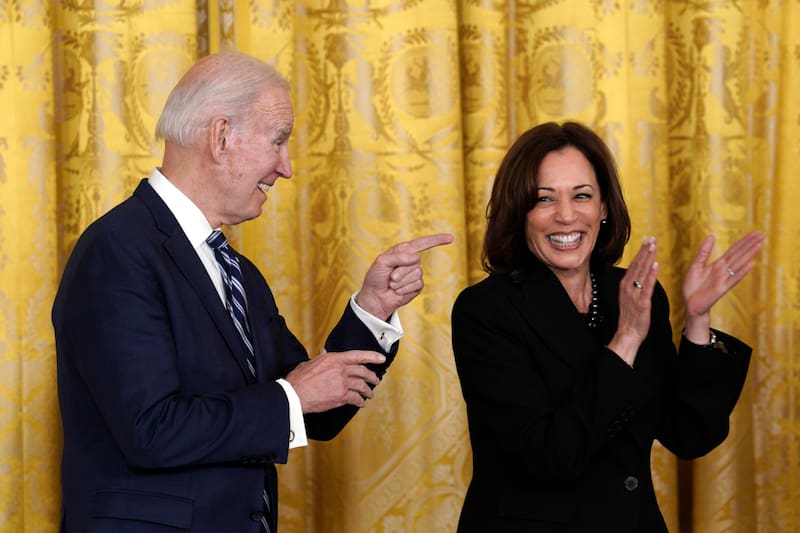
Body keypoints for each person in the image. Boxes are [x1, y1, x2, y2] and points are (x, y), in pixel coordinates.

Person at [52, 51, 453, 533]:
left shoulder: (237, 269)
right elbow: (151, 430)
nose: (286, 168)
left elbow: (314, 405)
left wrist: (374, 308)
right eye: (278, 141)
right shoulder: (117, 250)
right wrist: (291, 397)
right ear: (221, 137)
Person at [450, 121, 764, 532]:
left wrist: (698, 320)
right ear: (520, 212)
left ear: (603, 208)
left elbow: (688, 435)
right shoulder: (485, 311)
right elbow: (550, 456)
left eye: (582, 196)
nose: (566, 215)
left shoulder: (631, 291)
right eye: (544, 199)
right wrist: (626, 340)